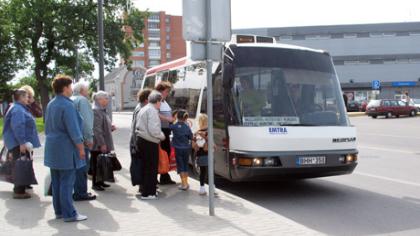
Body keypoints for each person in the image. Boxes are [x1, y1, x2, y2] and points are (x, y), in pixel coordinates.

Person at [44, 74, 87, 222]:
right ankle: (70, 214)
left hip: (53, 149)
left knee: (56, 182)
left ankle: (60, 212)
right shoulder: (67, 105)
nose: (71, 89)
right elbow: (74, 130)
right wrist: (81, 148)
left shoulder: (51, 103)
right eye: (70, 86)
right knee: (67, 182)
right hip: (66, 149)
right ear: (64, 88)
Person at [2, 89, 41, 199]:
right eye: (26, 97)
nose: (28, 99)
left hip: (18, 142)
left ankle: (22, 186)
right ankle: (19, 191)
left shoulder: (18, 107)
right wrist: (22, 143)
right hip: (18, 143)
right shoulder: (18, 109)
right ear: (21, 97)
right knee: (20, 166)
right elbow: (18, 127)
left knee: (21, 164)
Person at [135, 91, 165, 200]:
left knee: (146, 167)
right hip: (149, 142)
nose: (161, 104)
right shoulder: (152, 111)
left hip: (142, 140)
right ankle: (149, 193)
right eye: (161, 101)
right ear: (157, 101)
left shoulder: (144, 108)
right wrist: (162, 136)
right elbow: (154, 130)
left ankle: (146, 191)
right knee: (151, 168)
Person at [71, 82, 96, 201]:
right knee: (82, 167)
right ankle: (81, 192)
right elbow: (86, 121)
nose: (88, 91)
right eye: (87, 89)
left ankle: (76, 190)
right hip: (82, 139)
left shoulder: (70, 99)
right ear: (82, 90)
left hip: (72, 139)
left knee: (75, 167)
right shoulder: (83, 100)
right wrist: (89, 138)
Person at [91, 91, 116, 191]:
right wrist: (102, 144)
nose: (107, 100)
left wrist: (110, 127)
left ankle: (100, 181)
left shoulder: (101, 110)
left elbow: (102, 125)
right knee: (96, 162)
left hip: (103, 141)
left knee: (101, 162)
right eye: (106, 98)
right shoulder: (96, 110)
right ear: (99, 99)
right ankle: (95, 183)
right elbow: (97, 129)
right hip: (98, 143)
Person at [130, 89, 152, 192]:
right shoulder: (142, 109)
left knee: (141, 164)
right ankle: (143, 187)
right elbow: (136, 127)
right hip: (140, 141)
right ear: (147, 99)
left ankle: (143, 186)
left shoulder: (140, 107)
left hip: (137, 140)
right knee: (143, 165)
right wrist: (136, 143)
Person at [155, 82, 176, 185]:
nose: (168, 93)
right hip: (160, 130)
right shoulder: (157, 101)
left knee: (166, 153)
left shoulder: (164, 101)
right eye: (166, 91)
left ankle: (165, 175)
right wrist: (168, 118)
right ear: (160, 91)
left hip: (166, 130)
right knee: (160, 154)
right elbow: (155, 113)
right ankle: (157, 176)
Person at [170, 110, 193, 191]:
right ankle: (186, 183)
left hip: (178, 149)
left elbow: (169, 127)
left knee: (180, 166)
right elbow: (191, 137)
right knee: (185, 165)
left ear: (177, 117)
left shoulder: (174, 126)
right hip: (186, 148)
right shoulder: (187, 127)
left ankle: (184, 184)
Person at [192, 114, 209, 195]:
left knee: (202, 171)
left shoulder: (196, 133)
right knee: (210, 171)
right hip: (208, 154)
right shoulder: (208, 132)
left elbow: (194, 146)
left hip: (200, 155)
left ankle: (202, 188)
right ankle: (213, 187)